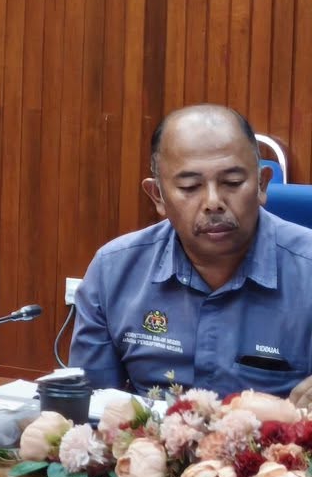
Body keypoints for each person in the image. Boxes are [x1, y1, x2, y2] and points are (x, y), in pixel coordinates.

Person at [70, 104, 312, 398]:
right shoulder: (114, 270)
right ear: (158, 196)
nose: (213, 202)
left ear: (261, 184)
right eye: (190, 186)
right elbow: (86, 404)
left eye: (232, 183)